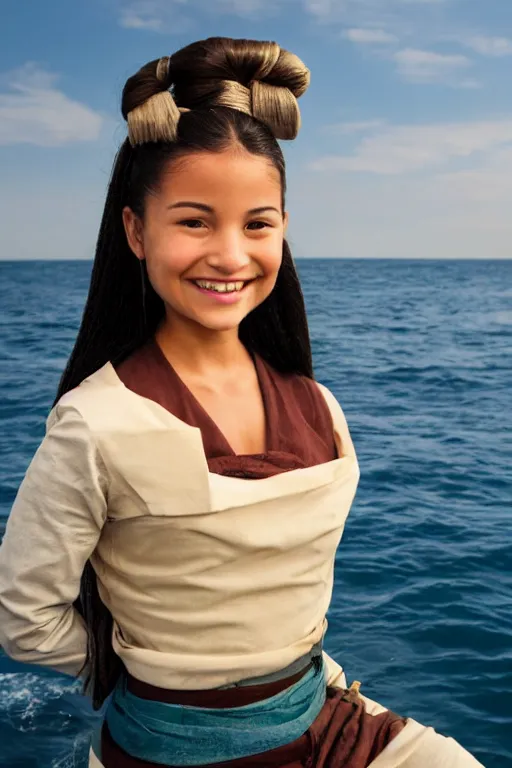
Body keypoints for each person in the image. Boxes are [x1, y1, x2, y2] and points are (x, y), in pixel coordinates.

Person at [0, 36, 483, 768]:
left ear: (283, 229)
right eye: (194, 221)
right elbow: (25, 617)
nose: (230, 254)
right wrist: (161, 675)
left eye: (258, 223)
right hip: (170, 751)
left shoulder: (319, 404)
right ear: (136, 230)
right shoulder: (96, 422)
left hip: (326, 720)